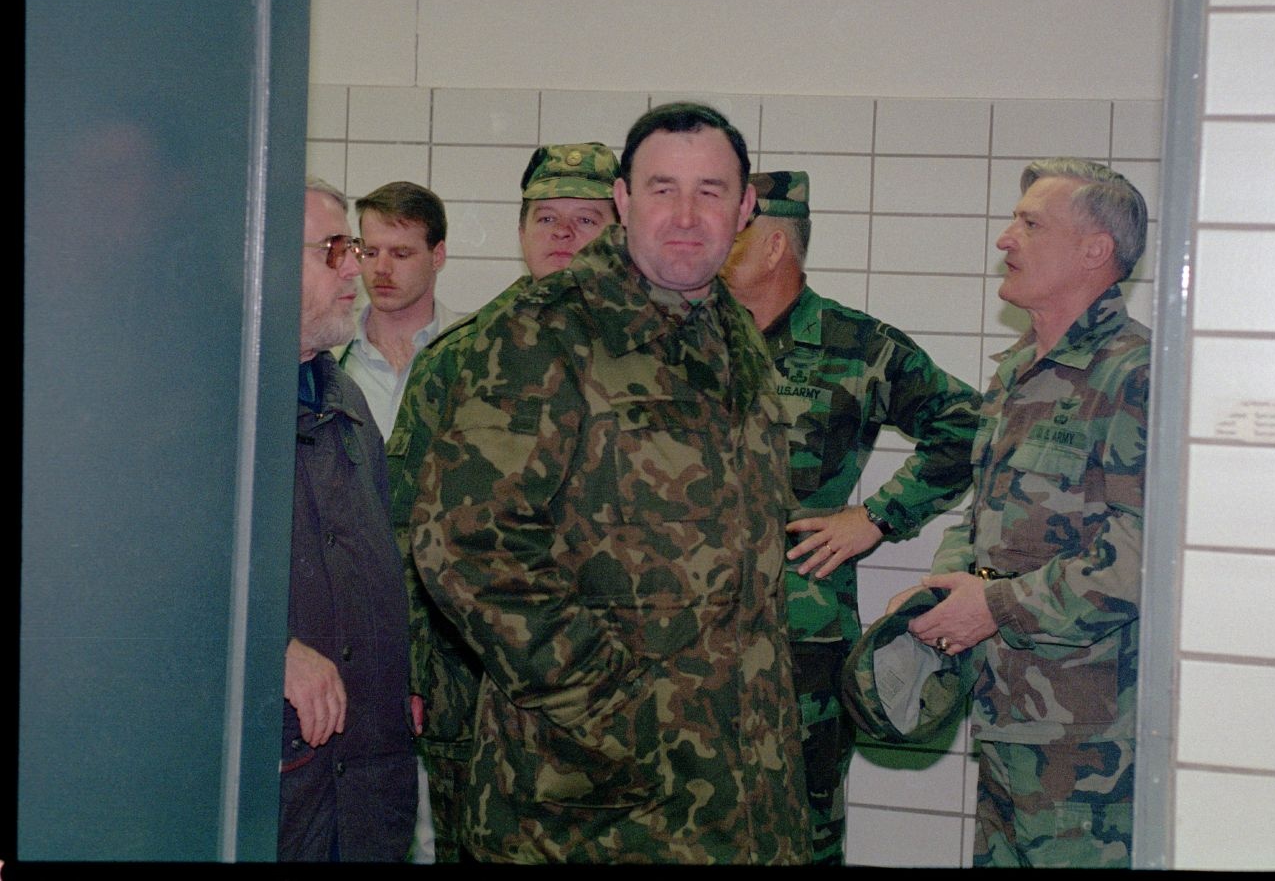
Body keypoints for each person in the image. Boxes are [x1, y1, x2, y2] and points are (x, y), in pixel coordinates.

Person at [410, 103, 810, 863]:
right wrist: (617, 707)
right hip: (589, 807)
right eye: (662, 190)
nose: (686, 216)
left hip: (742, 795)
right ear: (624, 203)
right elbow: (464, 545)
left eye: (711, 191)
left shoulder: (733, 335)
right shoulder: (545, 331)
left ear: (747, 208)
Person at [887, 158, 1150, 868]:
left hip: (1086, 748)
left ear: (1095, 251)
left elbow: (1142, 557)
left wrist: (995, 606)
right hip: (1006, 719)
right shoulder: (1017, 371)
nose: (1006, 238)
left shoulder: (1133, 375)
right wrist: (946, 588)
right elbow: (989, 512)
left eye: (1031, 223)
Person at [719, 169, 981, 865]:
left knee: (804, 835)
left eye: (729, 227)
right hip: (682, 644)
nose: (706, 238)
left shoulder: (857, 347)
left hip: (799, 641)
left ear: (773, 245)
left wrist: (878, 516)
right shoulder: (676, 342)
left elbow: (969, 427)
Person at [385, 141, 620, 863]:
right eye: (546, 217)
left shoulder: (648, 358)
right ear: (521, 232)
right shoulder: (461, 356)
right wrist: (414, 673)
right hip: (475, 677)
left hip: (612, 680)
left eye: (586, 219)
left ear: (619, 231)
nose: (562, 234)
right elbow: (406, 525)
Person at [281, 178, 417, 861]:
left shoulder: (349, 404)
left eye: (352, 249)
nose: (354, 269)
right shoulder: (206, 411)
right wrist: (266, 648)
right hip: (286, 787)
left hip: (365, 789)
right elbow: (142, 571)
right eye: (333, 249)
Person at [337, 180, 460, 438]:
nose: (381, 268)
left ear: (437, 256)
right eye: (370, 253)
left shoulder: (474, 352)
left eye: (401, 254)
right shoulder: (328, 354)